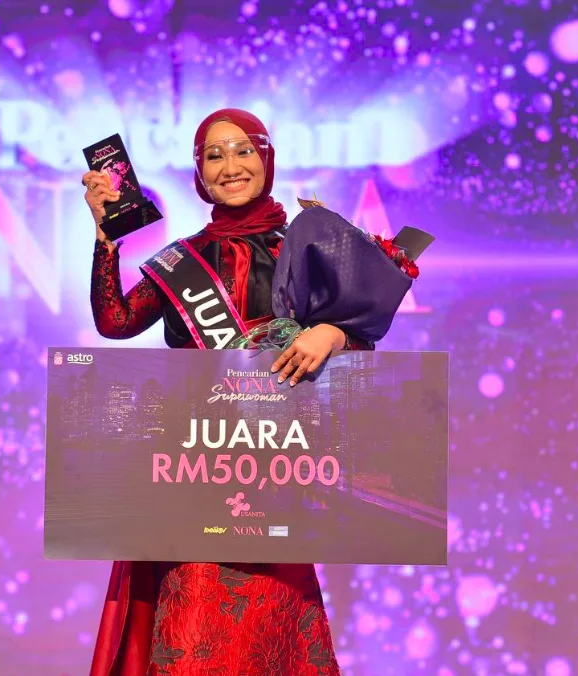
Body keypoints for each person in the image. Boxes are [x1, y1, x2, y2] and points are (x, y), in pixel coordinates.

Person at [83, 108, 373, 675]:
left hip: (276, 477)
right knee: (191, 634)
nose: (230, 165)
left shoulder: (308, 249)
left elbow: (362, 350)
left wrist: (335, 333)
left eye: (243, 150)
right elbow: (115, 321)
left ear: (266, 158)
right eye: (213, 155)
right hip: (195, 477)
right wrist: (105, 238)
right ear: (199, 173)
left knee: (273, 635)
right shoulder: (180, 260)